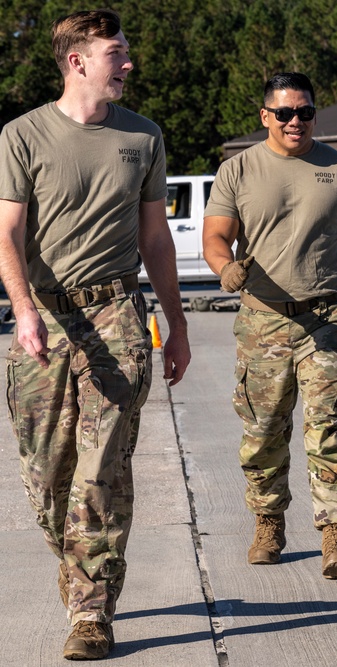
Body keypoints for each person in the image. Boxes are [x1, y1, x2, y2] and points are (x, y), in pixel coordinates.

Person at [0, 9, 191, 660]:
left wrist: (177, 322)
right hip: (44, 318)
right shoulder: (22, 136)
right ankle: (76, 558)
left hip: (116, 312)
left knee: (100, 470)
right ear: (77, 61)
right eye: (117, 53)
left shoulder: (143, 138)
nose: (129, 64)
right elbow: (7, 234)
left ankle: (91, 610)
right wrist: (23, 309)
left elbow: (155, 238)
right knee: (46, 476)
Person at [202, 72, 337, 582]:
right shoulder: (237, 171)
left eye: (305, 112)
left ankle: (336, 534)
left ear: (314, 114)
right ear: (265, 115)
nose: (295, 122)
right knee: (263, 433)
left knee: (328, 429)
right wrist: (226, 267)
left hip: (328, 318)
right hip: (263, 321)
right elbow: (216, 238)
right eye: (284, 113)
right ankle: (268, 522)